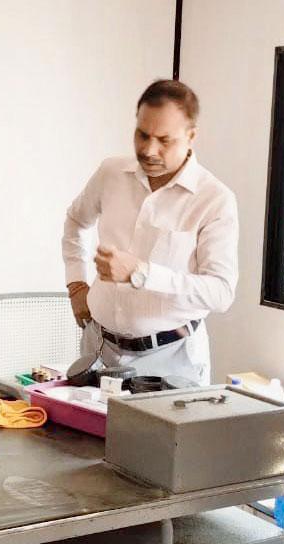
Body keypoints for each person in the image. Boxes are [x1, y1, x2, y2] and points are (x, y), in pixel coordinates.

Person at [61, 79, 238, 384]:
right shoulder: (111, 173)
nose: (148, 150)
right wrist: (76, 285)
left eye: (164, 140)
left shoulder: (214, 199)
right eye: (142, 135)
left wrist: (142, 273)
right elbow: (76, 221)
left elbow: (221, 292)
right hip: (99, 349)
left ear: (191, 137)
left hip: (172, 360)